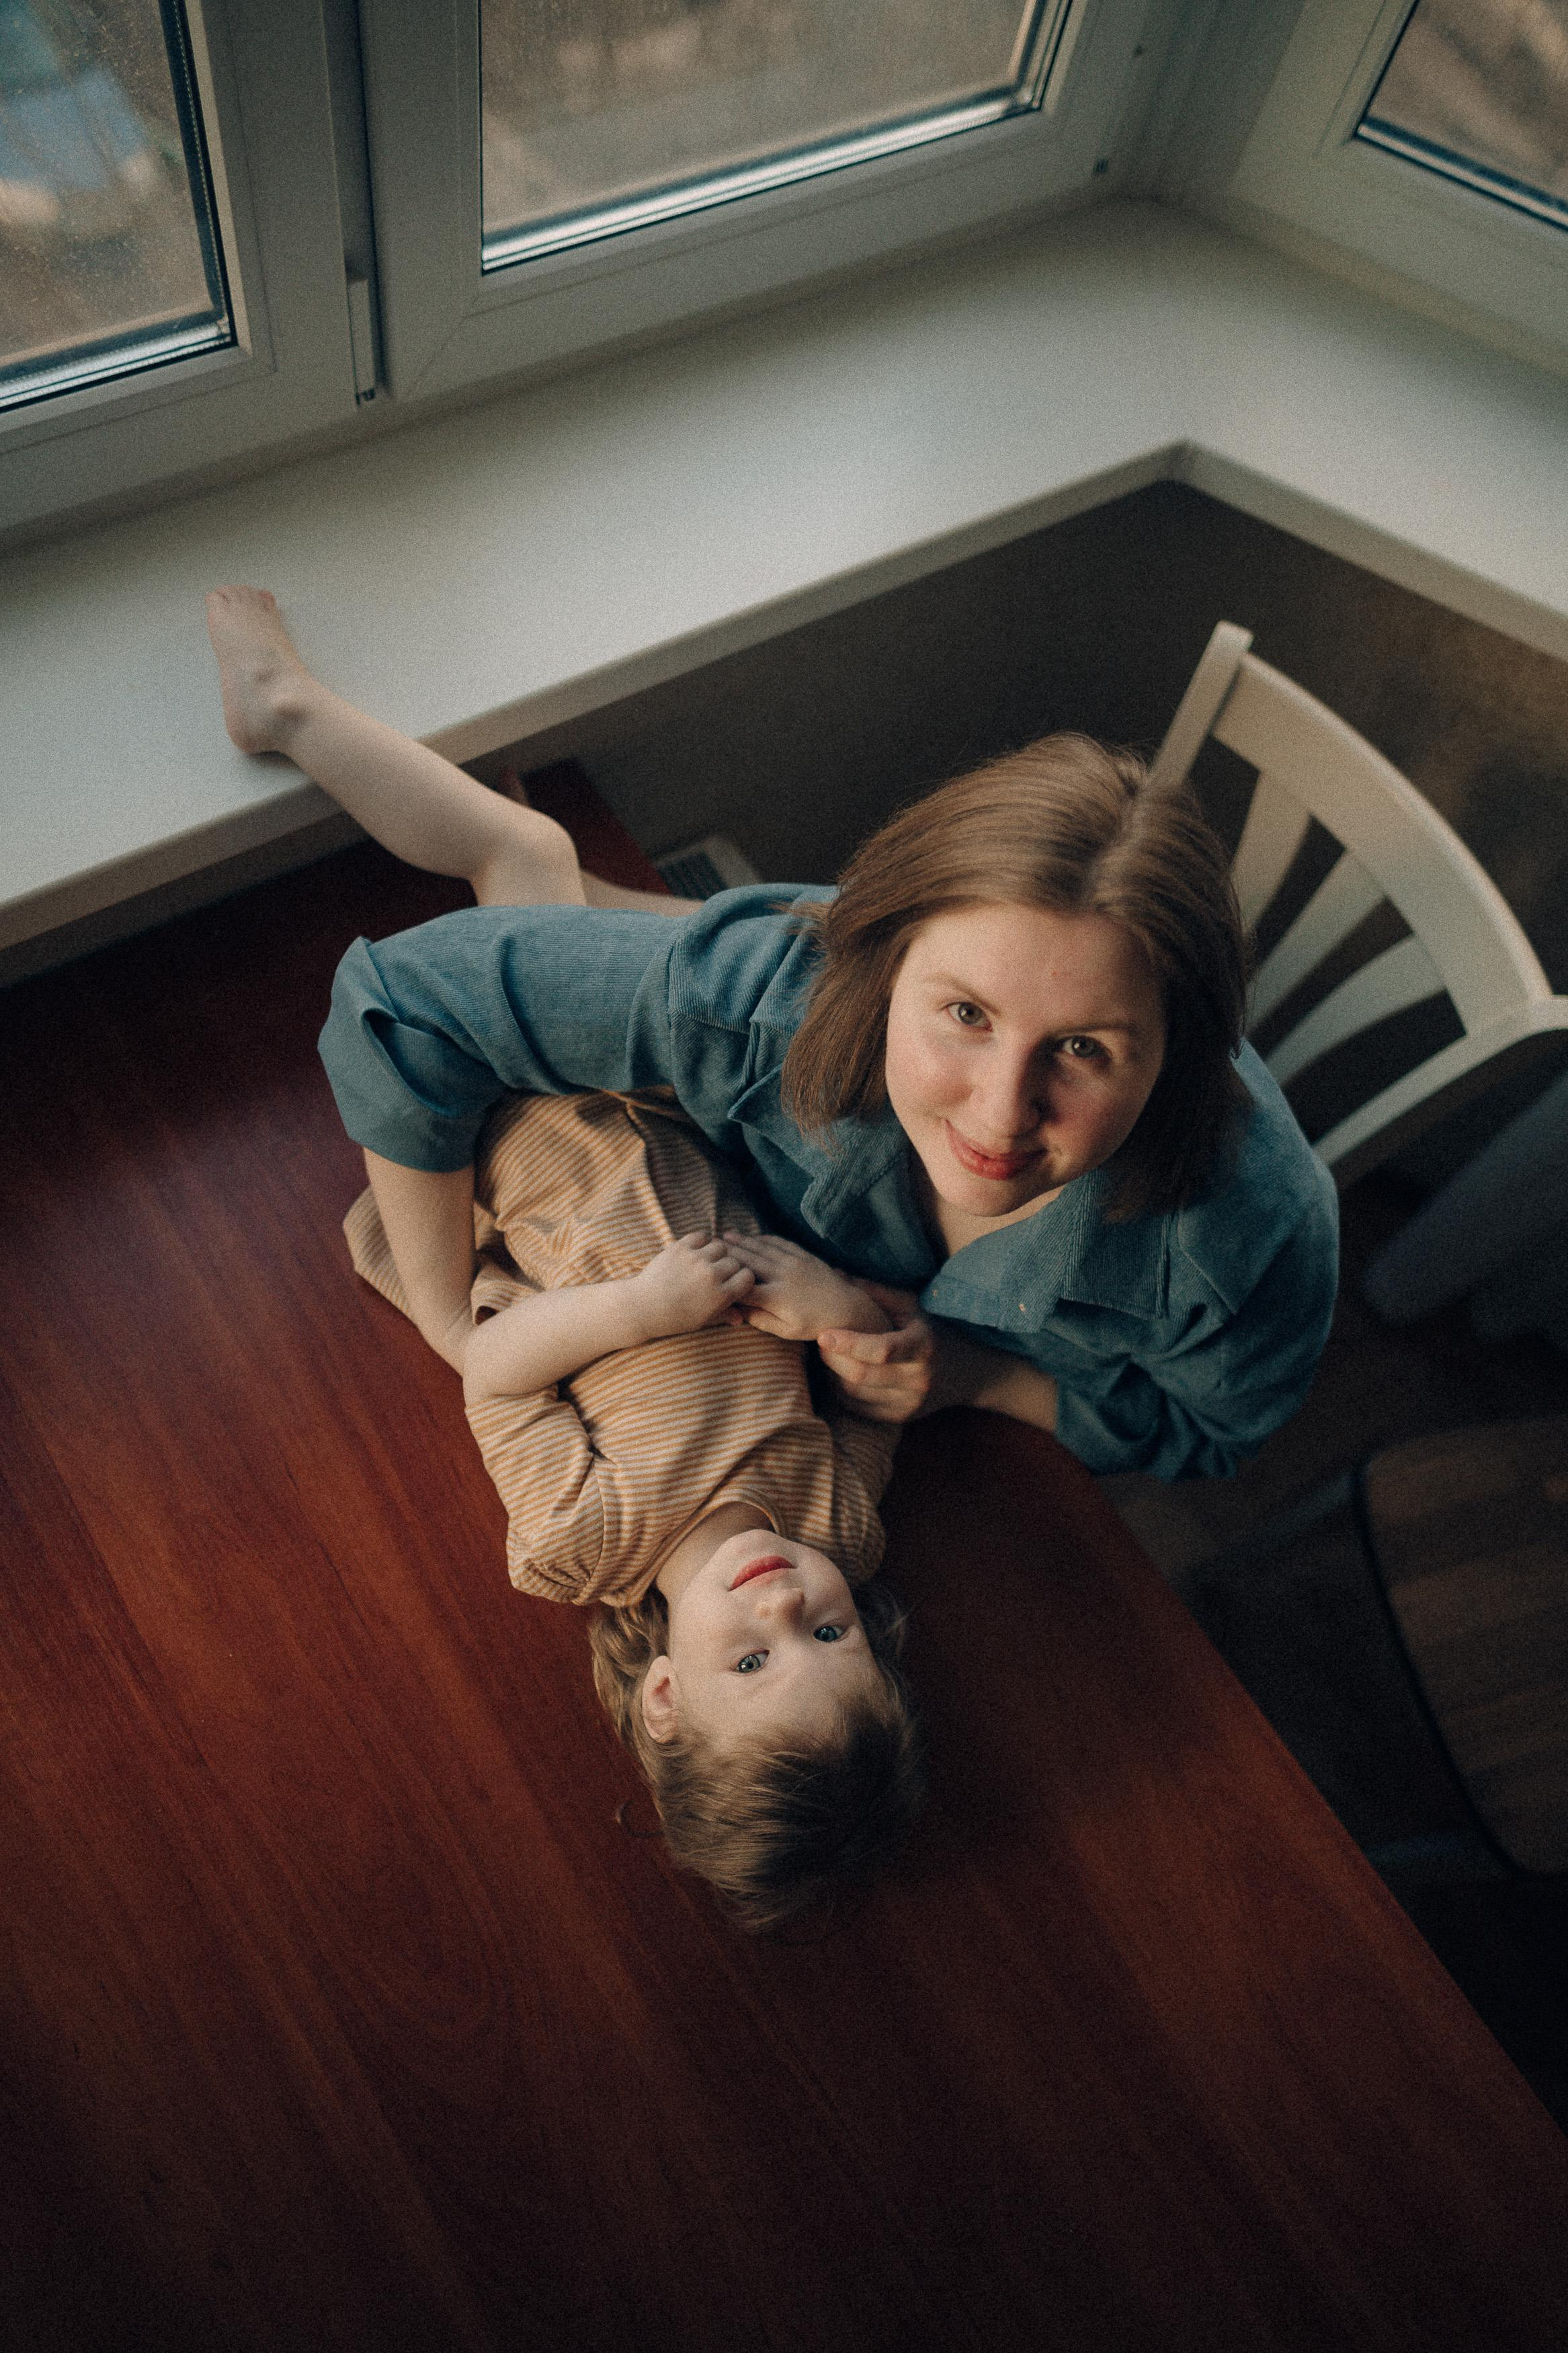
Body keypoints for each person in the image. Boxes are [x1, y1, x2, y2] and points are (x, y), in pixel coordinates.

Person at [208, 582, 1339, 1495]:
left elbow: (1205, 1431)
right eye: (964, 1016)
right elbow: (402, 1004)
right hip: (729, 1015)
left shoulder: (1255, 1238)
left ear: (1179, 1049)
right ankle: (287, 706)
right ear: (882, 961)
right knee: (524, 879)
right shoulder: (764, 1000)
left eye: (1084, 1050)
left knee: (537, 884)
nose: (1000, 1114)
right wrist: (456, 1324)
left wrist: (974, 1379)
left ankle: (564, 881)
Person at [206, 589, 923, 1933]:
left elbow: (493, 1374)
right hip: (671, 1136)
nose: (792, 1604)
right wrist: (833, 1314)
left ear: (665, 1695)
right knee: (538, 864)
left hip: (533, 1166)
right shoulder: (840, 1528)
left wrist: (643, 1306)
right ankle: (480, 822)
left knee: (527, 848)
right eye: (833, 1637)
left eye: (753, 1658)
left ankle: (288, 712)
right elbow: (882, 1383)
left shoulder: (584, 1546)